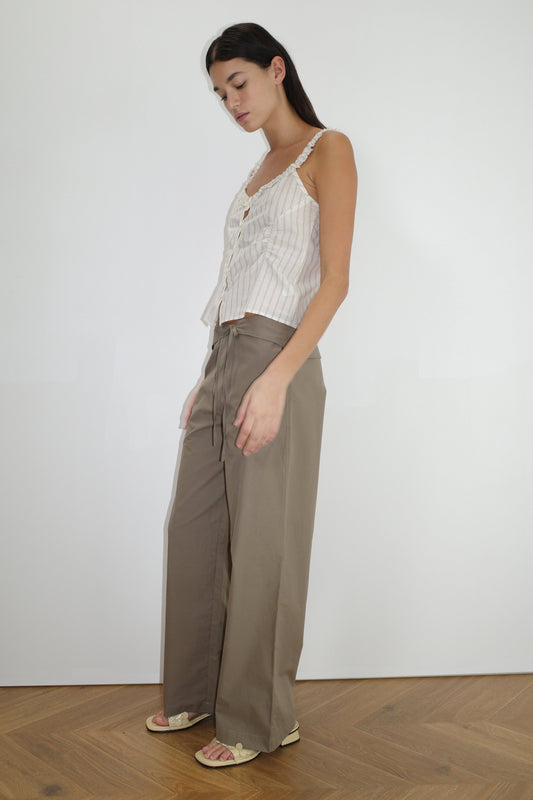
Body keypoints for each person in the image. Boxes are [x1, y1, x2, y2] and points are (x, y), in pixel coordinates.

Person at [146, 22, 357, 767]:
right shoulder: (257, 172)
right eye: (218, 92)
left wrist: (274, 378)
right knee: (195, 530)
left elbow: (332, 282)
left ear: (276, 69)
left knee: (264, 544)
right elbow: (235, 285)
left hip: (278, 359)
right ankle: (200, 692)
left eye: (237, 82)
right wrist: (209, 377)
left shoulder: (324, 150)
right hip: (225, 356)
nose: (229, 100)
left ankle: (261, 721)